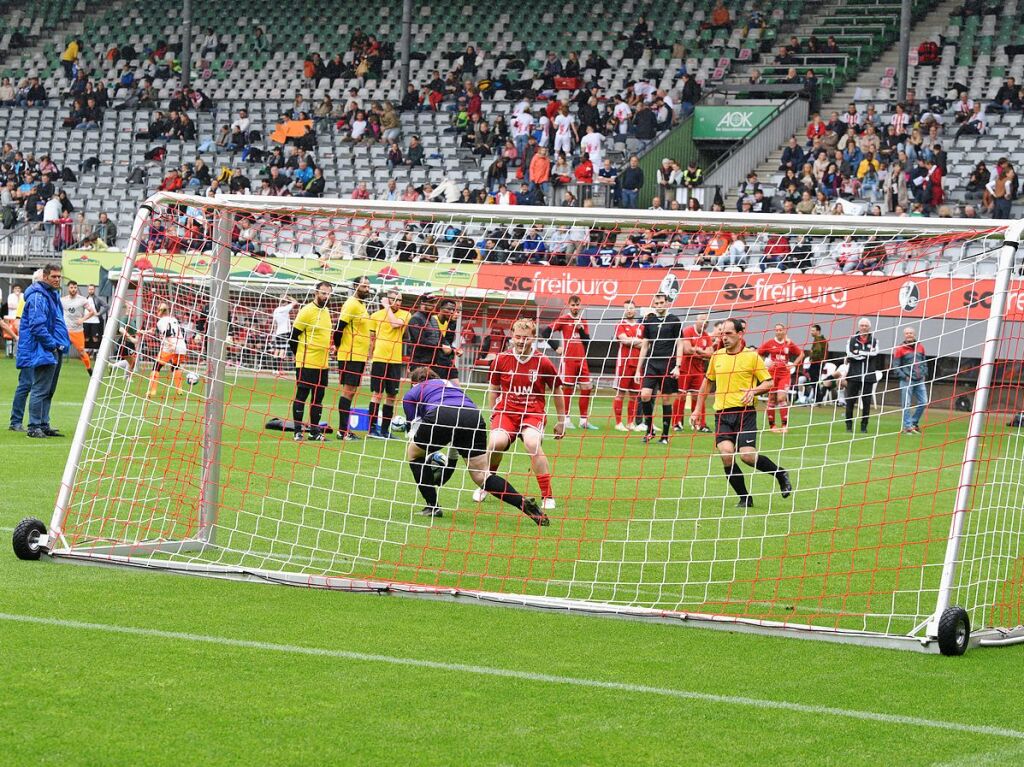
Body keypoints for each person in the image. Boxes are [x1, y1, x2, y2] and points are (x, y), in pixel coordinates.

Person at [403, 367, 548, 525]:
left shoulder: (412, 392)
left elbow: (415, 430)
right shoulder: (450, 384)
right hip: (473, 416)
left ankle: (432, 506)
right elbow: (456, 419)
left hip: (441, 414)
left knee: (414, 454)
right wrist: (451, 457)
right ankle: (522, 503)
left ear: (414, 382)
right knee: (482, 475)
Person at [692, 317, 793, 508]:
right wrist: (697, 409)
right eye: (722, 334)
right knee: (726, 454)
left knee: (747, 456)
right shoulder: (717, 356)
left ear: (740, 334)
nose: (725, 338)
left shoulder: (752, 357)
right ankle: (745, 498)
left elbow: (769, 382)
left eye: (729, 334)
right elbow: (707, 383)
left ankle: (780, 473)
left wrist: (753, 391)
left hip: (745, 413)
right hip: (722, 414)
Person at [473, 318, 566, 510]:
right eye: (518, 337)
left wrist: (561, 421)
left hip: (533, 413)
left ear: (534, 338)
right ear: (512, 336)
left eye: (526, 338)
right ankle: (487, 483)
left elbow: (557, 390)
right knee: (494, 442)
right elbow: (493, 387)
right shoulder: (501, 359)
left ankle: (547, 495)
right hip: (507, 412)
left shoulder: (543, 361)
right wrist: (494, 412)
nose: (521, 341)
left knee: (532, 443)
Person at [17, 263, 70, 438]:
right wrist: (52, 345)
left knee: (49, 389)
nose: (57, 279)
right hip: (43, 348)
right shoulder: (39, 296)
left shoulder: (51, 295)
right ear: (45, 277)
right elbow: (37, 325)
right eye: (53, 276)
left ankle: (43, 423)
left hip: (53, 347)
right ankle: (33, 426)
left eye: (59, 277)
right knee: (40, 388)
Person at [542, 295, 596, 431]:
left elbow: (587, 341)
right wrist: (556, 347)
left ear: (580, 306)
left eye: (577, 305)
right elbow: (545, 332)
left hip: (582, 359)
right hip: (568, 360)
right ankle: (566, 419)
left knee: (587, 387)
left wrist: (581, 328)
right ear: (568, 306)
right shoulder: (563, 319)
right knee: (567, 389)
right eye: (573, 305)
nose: (575, 307)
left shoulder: (583, 321)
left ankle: (583, 421)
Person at [634, 292, 683, 444]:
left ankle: (665, 436)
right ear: (654, 304)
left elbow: (680, 342)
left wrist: (678, 366)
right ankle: (649, 430)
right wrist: (638, 368)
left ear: (667, 303)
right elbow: (645, 345)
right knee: (645, 396)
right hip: (652, 363)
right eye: (656, 303)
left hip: (668, 363)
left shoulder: (674, 320)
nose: (659, 306)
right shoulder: (649, 321)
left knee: (666, 399)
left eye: (662, 303)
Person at [289, 281, 334, 441]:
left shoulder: (327, 312)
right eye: (323, 293)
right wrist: (299, 356)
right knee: (302, 395)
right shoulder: (306, 311)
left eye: (329, 293)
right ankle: (297, 431)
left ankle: (314, 432)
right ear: (316, 292)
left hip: (323, 364)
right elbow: (293, 338)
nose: (326, 296)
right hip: (306, 363)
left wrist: (330, 348)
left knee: (318, 398)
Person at [367, 287, 410, 439]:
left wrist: (387, 307)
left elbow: (395, 324)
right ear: (388, 298)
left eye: (400, 300)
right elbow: (372, 339)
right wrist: (370, 356)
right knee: (377, 394)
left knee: (391, 396)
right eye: (394, 299)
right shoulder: (375, 316)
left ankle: (385, 431)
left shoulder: (406, 314)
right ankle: (372, 430)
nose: (398, 302)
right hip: (379, 359)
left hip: (395, 361)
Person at [333, 276, 373, 441]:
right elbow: (339, 328)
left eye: (368, 286)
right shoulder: (351, 304)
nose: (367, 289)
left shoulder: (361, 306)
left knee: (351, 391)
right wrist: (338, 347)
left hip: (358, 356)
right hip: (350, 355)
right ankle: (342, 431)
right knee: (348, 391)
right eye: (364, 286)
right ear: (356, 286)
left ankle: (344, 430)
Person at [757, 323, 804, 433]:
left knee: (781, 398)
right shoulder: (770, 342)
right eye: (776, 330)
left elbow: (801, 354)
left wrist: (793, 365)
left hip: (784, 374)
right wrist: (765, 362)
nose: (778, 332)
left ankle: (784, 425)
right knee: (772, 399)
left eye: (780, 330)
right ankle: (772, 426)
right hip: (772, 374)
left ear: (784, 331)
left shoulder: (788, 343)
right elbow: (758, 353)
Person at [676, 313, 714, 433]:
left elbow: (710, 354)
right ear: (696, 320)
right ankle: (677, 423)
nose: (705, 323)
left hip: (698, 370)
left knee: (699, 396)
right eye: (702, 320)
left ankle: (699, 423)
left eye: (707, 321)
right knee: (681, 395)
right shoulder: (687, 331)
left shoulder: (706, 336)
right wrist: (702, 352)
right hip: (685, 368)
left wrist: (697, 350)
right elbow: (686, 350)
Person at [408, 297, 461, 382]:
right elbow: (420, 341)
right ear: (422, 303)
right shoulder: (416, 318)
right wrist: (441, 347)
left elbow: (441, 338)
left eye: (434, 302)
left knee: (433, 390)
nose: (433, 305)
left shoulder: (432, 319)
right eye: (431, 302)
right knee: (419, 390)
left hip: (432, 362)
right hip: (419, 363)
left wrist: (453, 349)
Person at [613, 300, 644, 431]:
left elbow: (646, 344)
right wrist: (638, 341)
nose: (629, 310)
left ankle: (630, 423)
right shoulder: (620, 324)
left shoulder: (641, 327)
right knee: (620, 393)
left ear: (635, 310)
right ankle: (618, 423)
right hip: (624, 364)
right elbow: (624, 340)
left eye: (631, 308)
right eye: (626, 308)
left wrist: (632, 341)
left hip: (637, 365)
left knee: (634, 395)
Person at [844, 317, 879, 433]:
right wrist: (864, 355)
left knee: (866, 402)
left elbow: (875, 353)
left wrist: (859, 353)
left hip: (868, 376)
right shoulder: (852, 339)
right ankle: (848, 425)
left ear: (869, 327)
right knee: (850, 401)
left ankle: (864, 426)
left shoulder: (874, 340)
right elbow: (849, 354)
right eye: (862, 325)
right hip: (854, 375)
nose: (864, 327)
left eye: (866, 326)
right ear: (859, 327)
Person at [892, 326, 928, 434]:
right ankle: (907, 426)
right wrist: (904, 376)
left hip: (920, 380)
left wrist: (924, 373)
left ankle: (913, 422)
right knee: (906, 404)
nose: (909, 335)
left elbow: (924, 362)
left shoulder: (921, 347)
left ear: (914, 335)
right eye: (907, 333)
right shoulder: (900, 349)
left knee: (924, 402)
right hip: (907, 380)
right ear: (904, 335)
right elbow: (896, 366)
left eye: (911, 333)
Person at [147, 303, 188, 397]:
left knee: (156, 367)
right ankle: (179, 389)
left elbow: (167, 333)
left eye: (157, 309)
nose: (156, 311)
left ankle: (152, 391)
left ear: (160, 311)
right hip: (181, 346)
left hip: (170, 346)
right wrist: (148, 331)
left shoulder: (160, 322)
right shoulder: (174, 319)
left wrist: (170, 344)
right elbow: (162, 331)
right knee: (175, 366)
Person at [61, 280, 95, 376]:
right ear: (68, 288)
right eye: (71, 287)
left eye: (75, 287)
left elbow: (92, 312)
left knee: (81, 351)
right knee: (58, 348)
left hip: (77, 331)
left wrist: (82, 319)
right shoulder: (62, 300)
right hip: (66, 330)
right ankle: (53, 367)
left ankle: (89, 370)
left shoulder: (82, 300)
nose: (73, 289)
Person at [270, 296, 297, 373]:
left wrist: (274, 333)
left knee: (276, 351)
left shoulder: (276, 310)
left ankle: (274, 370)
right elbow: (295, 302)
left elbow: (274, 323)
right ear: (285, 302)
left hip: (278, 332)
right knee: (282, 351)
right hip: (285, 332)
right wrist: (288, 297)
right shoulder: (285, 308)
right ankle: (278, 369)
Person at [803, 324, 828, 404]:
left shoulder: (818, 339)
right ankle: (818, 398)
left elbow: (818, 352)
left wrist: (811, 354)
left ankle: (818, 398)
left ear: (818, 331)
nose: (811, 332)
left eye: (813, 330)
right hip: (819, 363)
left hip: (816, 363)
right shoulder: (823, 339)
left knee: (814, 381)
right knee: (815, 381)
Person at [82, 284, 106, 358]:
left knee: (95, 338)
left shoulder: (97, 299)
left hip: (95, 321)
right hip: (86, 321)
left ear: (94, 290)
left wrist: (99, 313)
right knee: (86, 337)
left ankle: (95, 352)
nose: (90, 291)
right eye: (89, 289)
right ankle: (86, 352)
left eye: (92, 289)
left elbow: (106, 306)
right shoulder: (84, 299)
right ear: (87, 290)